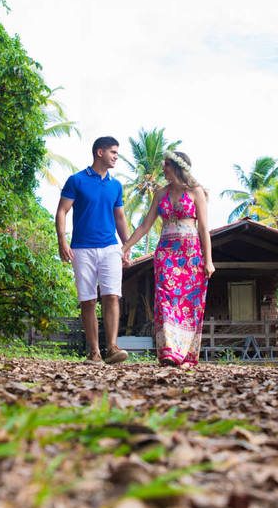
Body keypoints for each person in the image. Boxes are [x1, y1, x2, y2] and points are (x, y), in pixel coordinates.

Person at [121, 150, 215, 369]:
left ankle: (186, 356)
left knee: (188, 303)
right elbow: (145, 225)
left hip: (190, 254)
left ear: (178, 167)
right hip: (165, 253)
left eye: (167, 165)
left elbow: (203, 228)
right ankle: (169, 352)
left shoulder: (196, 192)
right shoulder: (160, 193)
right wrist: (126, 247)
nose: (163, 168)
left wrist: (208, 260)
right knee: (166, 301)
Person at [56, 136, 131, 364]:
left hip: (110, 247)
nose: (116, 157)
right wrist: (62, 240)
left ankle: (112, 348)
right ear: (100, 152)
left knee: (112, 296)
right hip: (82, 249)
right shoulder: (76, 180)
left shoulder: (115, 185)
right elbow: (62, 211)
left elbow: (119, 216)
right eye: (113, 152)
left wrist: (126, 246)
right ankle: (94, 352)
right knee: (88, 300)